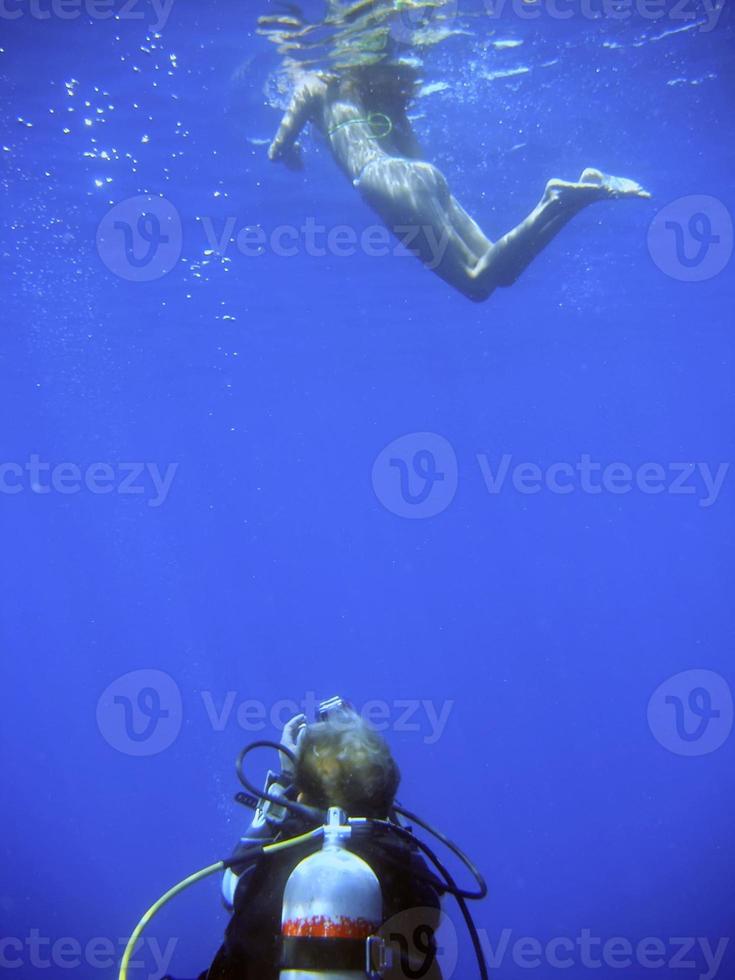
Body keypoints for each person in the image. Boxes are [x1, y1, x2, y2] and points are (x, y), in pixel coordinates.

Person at [267, 61, 651, 302]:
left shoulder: (312, 86)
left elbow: (276, 148)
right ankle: (575, 199)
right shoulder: (375, 92)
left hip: (379, 180)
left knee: (476, 283)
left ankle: (554, 199)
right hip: (423, 175)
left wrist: (293, 154)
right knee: (504, 276)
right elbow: (413, 153)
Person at [199, 706, 445, 979]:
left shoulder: (280, 865)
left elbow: (230, 887)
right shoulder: (406, 874)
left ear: (301, 799)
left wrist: (283, 786)